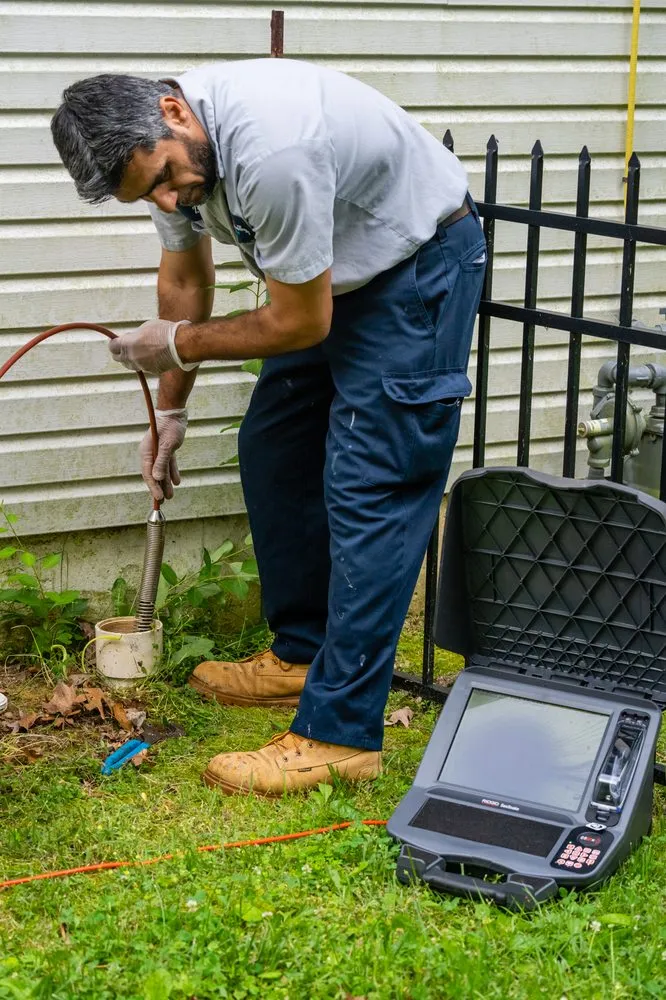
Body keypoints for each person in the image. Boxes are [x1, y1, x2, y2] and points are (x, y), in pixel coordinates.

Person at [51, 58, 486, 797]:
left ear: (174, 113)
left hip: (413, 268)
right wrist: (173, 411)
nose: (167, 196)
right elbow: (185, 283)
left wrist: (181, 345)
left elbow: (298, 320)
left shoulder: (271, 149)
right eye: (148, 194)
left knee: (371, 487)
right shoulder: (161, 151)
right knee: (274, 448)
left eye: (163, 177)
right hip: (331, 274)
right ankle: (303, 658)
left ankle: (341, 735)